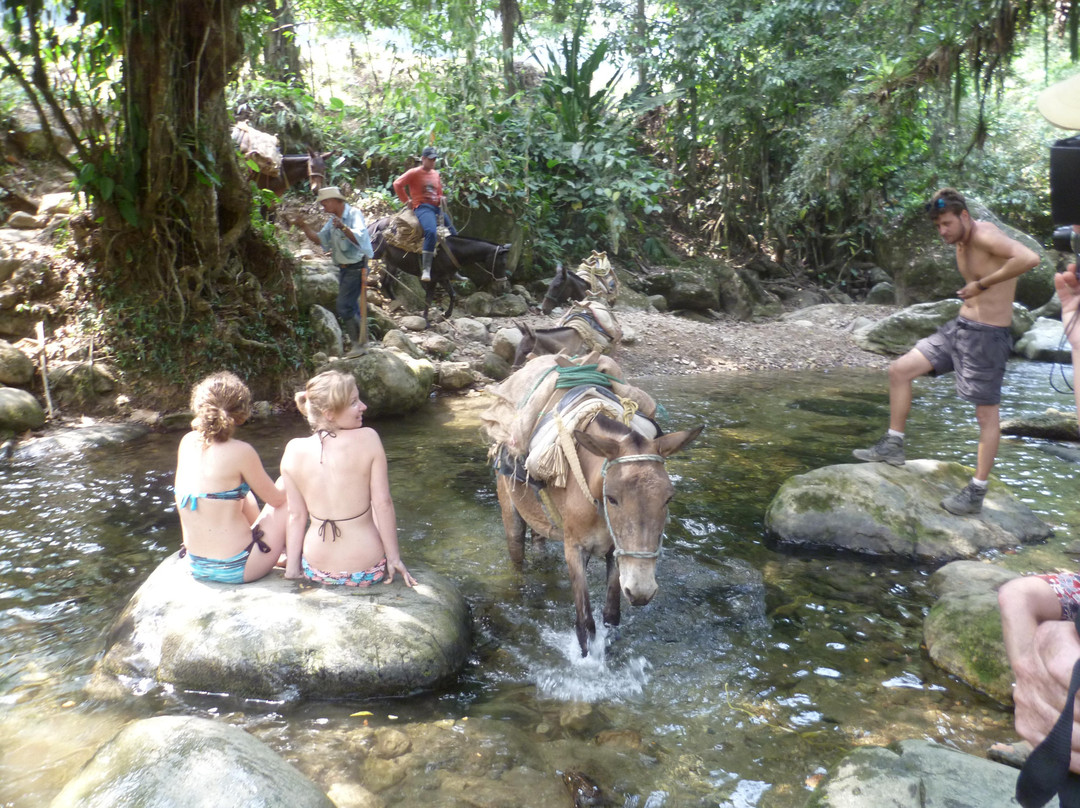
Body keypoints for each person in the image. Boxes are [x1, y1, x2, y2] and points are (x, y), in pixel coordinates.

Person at [853, 187, 1040, 515]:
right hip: (960, 329)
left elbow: (1029, 258)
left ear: (964, 216)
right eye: (938, 225)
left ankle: (976, 493)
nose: (942, 231)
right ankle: (893, 444)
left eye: (947, 224)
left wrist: (982, 284)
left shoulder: (984, 235)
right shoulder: (964, 239)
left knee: (986, 415)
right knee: (899, 370)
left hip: (988, 337)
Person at [277, 370, 416, 588]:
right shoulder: (368, 438)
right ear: (329, 413)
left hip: (316, 569)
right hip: (365, 570)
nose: (363, 407)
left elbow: (296, 515)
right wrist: (394, 558)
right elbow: (383, 503)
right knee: (373, 503)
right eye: (354, 403)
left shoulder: (293, 449)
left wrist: (293, 569)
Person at [174, 371, 288, 583]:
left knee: (241, 494)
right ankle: (286, 554)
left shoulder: (187, 442)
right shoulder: (242, 451)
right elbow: (278, 501)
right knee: (285, 485)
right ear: (241, 412)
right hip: (238, 567)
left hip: (196, 565)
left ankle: (275, 551)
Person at [293, 186, 374, 346]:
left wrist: (343, 227)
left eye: (325, 203)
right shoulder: (332, 221)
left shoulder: (353, 214)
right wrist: (304, 226)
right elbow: (320, 240)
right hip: (343, 268)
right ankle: (364, 343)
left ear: (335, 201)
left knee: (343, 306)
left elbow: (360, 238)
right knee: (351, 305)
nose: (323, 207)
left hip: (356, 267)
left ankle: (358, 344)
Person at [392, 145, 458, 283]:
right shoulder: (414, 172)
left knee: (454, 234)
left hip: (436, 207)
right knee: (431, 232)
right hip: (422, 207)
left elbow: (439, 192)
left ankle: (453, 269)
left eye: (434, 160)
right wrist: (406, 201)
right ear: (423, 159)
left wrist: (442, 198)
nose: (433, 162)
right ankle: (426, 269)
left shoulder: (436, 174)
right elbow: (397, 184)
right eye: (430, 159)